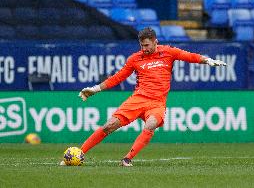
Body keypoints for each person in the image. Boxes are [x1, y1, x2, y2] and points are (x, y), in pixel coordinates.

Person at [77, 27, 226, 167]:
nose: (144, 49)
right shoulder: (135, 59)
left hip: (157, 103)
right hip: (138, 99)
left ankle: (127, 159)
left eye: (147, 45)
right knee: (109, 125)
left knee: (151, 124)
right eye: (142, 45)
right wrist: (95, 89)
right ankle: (79, 153)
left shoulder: (168, 52)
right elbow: (117, 78)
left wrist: (207, 60)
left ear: (156, 42)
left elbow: (189, 56)